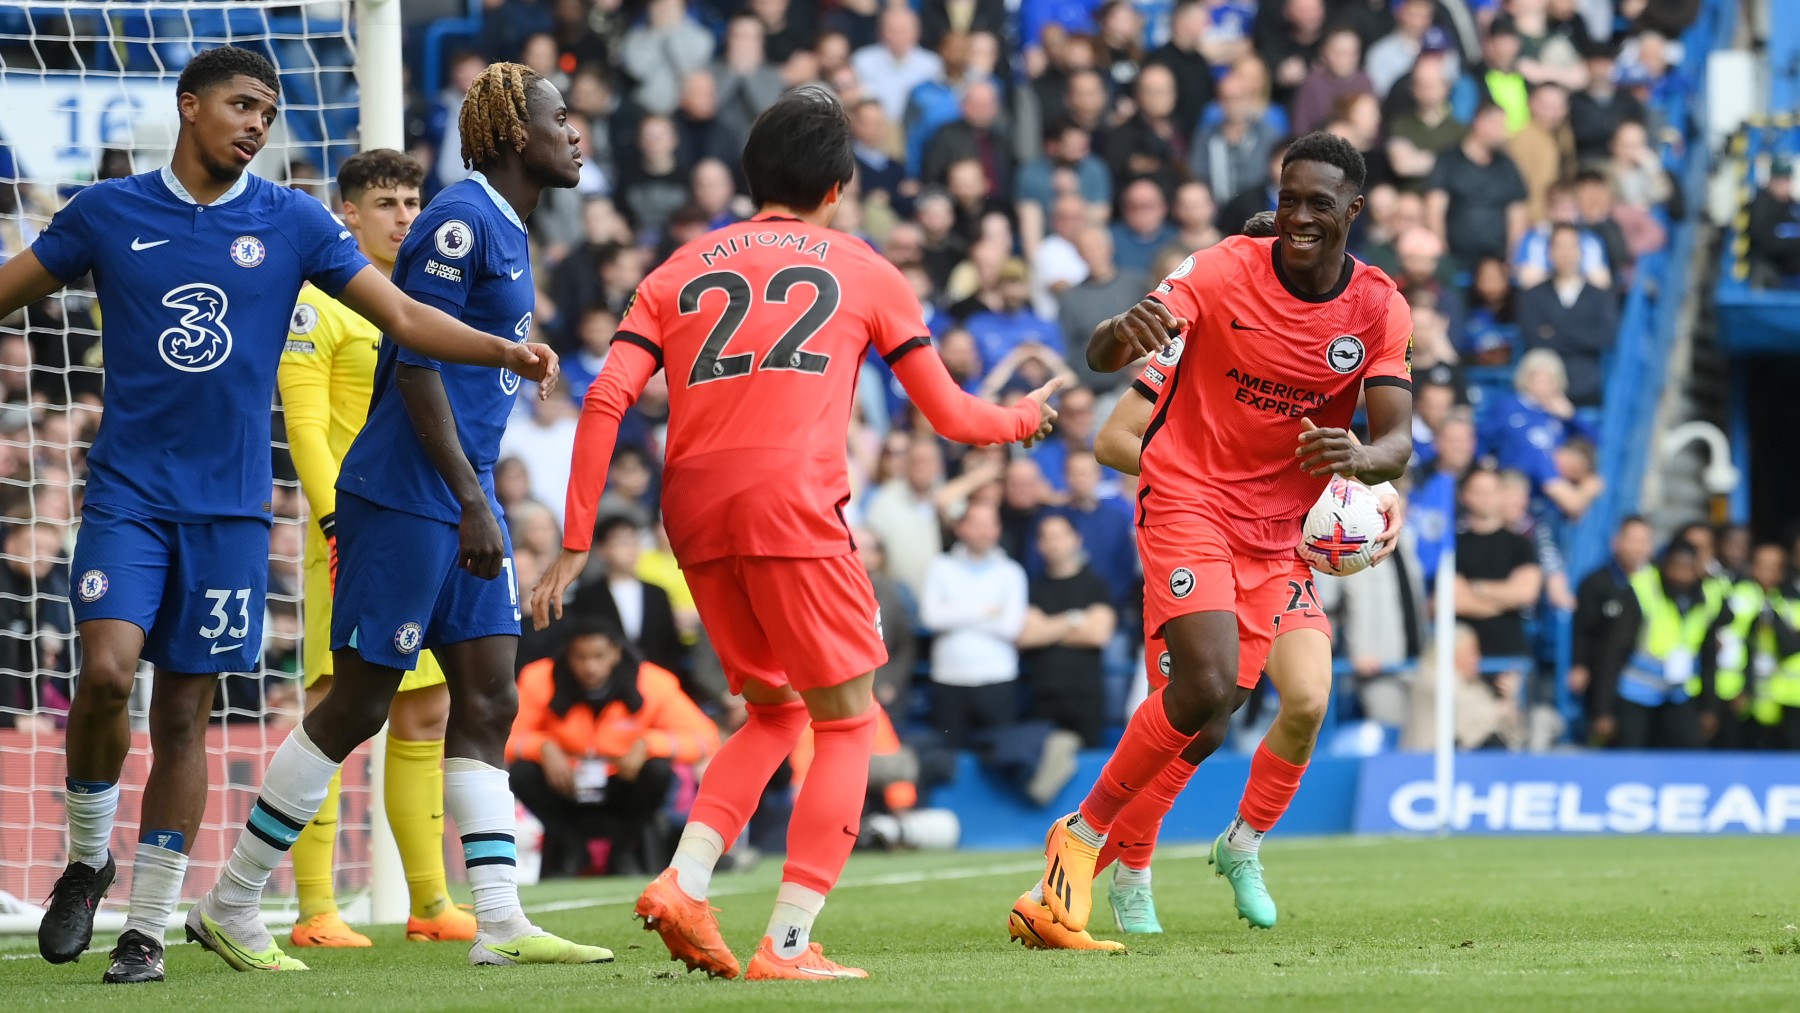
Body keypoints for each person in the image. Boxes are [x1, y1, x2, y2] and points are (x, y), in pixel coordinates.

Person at [2, 48, 553, 983]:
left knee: (185, 709)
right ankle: (88, 854)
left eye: (269, 109)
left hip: (232, 510)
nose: (257, 123)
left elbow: (409, 322)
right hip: (128, 496)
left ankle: (146, 928)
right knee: (103, 674)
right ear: (189, 107)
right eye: (241, 104)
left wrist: (507, 346)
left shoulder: (292, 220)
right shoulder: (107, 213)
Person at [532, 86, 1058, 981]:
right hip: (791, 502)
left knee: (774, 710)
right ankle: (786, 942)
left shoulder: (676, 269)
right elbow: (954, 417)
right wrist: (1023, 422)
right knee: (849, 722)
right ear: (839, 186)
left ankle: (684, 881)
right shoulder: (864, 267)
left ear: (751, 178)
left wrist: (576, 537)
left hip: (692, 510)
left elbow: (604, 395)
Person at [184, 61, 604, 974]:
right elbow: (413, 362)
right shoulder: (460, 218)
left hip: (463, 494)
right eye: (559, 118)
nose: (575, 133)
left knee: (489, 694)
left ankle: (498, 919)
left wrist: (478, 494)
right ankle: (231, 902)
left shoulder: (509, 224)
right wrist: (466, 500)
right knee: (363, 702)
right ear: (508, 132)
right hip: (409, 497)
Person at [1032, 132, 1412, 938]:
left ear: (1354, 210)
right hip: (1188, 499)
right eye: (1288, 200)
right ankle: (1091, 843)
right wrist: (1115, 333)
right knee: (1201, 691)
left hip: (1282, 533)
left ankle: (1226, 842)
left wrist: (1363, 463)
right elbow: (1107, 380)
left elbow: (1396, 440)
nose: (1298, 217)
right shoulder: (1213, 277)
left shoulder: (1377, 307)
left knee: (1219, 716)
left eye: (1318, 204)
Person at [275, 149, 474, 950]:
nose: (403, 216)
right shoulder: (319, 305)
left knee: (426, 708)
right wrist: (332, 523)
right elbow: (306, 428)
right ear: (346, 213)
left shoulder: (423, 300)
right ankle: (316, 906)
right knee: (335, 704)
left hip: (421, 526)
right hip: (351, 531)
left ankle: (429, 900)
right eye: (385, 202)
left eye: (411, 201)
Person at [506, 616, 719, 879]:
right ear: (567, 655)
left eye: (598, 656)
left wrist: (648, 745)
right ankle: (572, 848)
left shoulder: (653, 682)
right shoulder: (538, 679)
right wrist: (543, 747)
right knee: (522, 771)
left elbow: (705, 739)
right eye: (580, 657)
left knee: (658, 770)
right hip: (565, 781)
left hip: (622, 780)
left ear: (616, 653)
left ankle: (623, 852)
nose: (590, 667)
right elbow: (506, 739)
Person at [1599, 540, 1724, 749]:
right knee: (1632, 752)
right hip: (1637, 692)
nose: (1682, 576)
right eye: (1676, 568)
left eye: (1688, 569)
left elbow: (1709, 658)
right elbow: (1614, 651)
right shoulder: (1644, 589)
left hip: (1678, 692)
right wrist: (1604, 710)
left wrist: (1709, 708)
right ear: (1665, 566)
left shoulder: (1707, 597)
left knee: (1689, 750)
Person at [1019, 513, 1118, 747]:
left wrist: (1047, 628)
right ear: (1039, 545)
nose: (1053, 543)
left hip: (1086, 697)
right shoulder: (1033, 588)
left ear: (1076, 539)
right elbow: (1027, 636)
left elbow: (1098, 635)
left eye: (1059, 536)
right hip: (1043, 696)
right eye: (1047, 537)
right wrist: (1075, 619)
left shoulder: (1096, 585)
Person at [1569, 515, 1654, 744]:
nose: (1638, 547)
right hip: (1604, 677)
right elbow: (1583, 629)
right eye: (1632, 539)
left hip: (1648, 680)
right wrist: (1580, 663)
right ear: (1617, 542)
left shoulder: (1657, 584)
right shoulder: (1596, 582)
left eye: (1644, 541)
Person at [1747, 156, 1800, 289]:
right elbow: (1765, 243)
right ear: (1771, 180)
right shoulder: (1761, 206)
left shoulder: (1794, 208)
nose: (1782, 184)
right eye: (1779, 180)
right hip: (1772, 269)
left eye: (1786, 180)